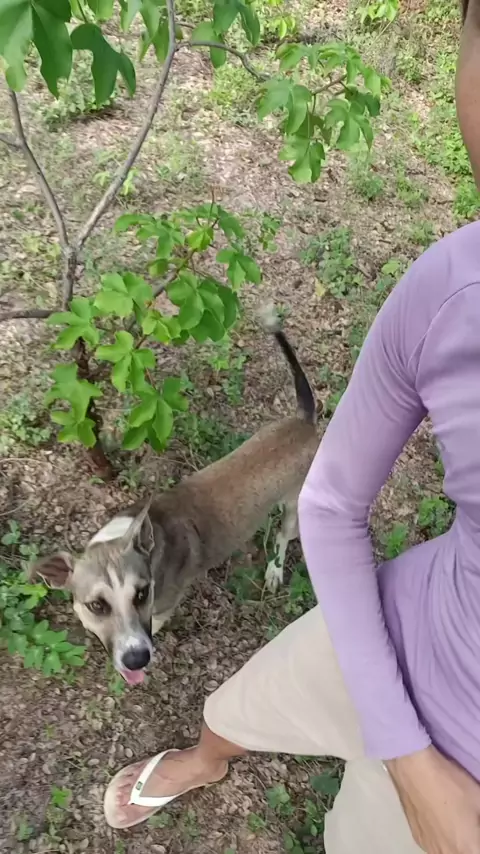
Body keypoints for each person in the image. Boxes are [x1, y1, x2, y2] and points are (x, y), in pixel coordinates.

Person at [103, 4, 480, 851]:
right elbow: (332, 503)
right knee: (237, 705)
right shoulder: (450, 286)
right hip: (401, 621)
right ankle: (205, 758)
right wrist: (406, 750)